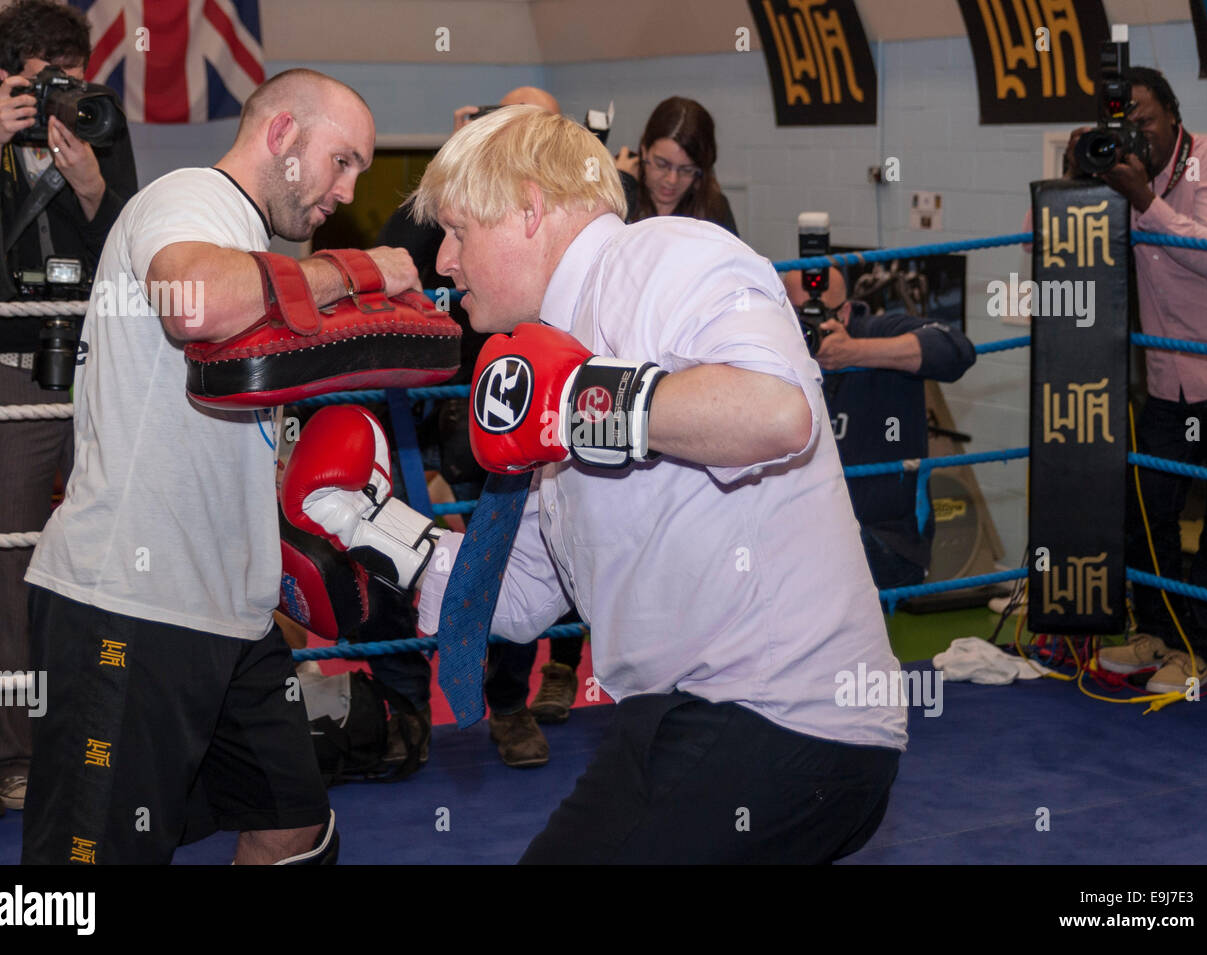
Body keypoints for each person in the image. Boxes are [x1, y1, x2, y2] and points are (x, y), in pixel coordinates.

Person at [290, 106, 906, 863]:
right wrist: (364, 529)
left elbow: (778, 413)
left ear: (528, 207)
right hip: (681, 721)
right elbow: (514, 598)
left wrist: (580, 402)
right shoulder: (549, 355)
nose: (445, 261)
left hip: (781, 716)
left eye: (458, 231)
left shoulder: (667, 256)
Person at [20, 68, 419, 864]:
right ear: (281, 136)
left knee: (296, 826)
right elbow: (191, 301)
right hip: (128, 607)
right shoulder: (190, 200)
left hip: (227, 619)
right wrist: (358, 271)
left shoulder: (252, 250)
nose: (346, 190)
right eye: (341, 161)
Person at [0, 0, 137, 811]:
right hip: (6, 369)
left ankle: (109, 736)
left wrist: (93, 184)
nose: (56, 94)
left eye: (69, 78)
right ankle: (9, 755)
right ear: (0, 74)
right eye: (36, 82)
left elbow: (133, 241)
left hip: (97, 362)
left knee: (114, 555)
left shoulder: (98, 116)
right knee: (6, 569)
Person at [372, 86, 585, 770]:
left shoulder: (587, 243)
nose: (450, 259)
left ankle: (511, 701)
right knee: (490, 547)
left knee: (531, 551)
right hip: (461, 405)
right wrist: (453, 165)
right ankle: (410, 706)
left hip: (542, 396)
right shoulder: (461, 215)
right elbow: (401, 259)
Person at [1072, 67, 1207, 692]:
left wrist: (1146, 200)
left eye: (1144, 120)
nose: (1136, 133)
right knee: (1148, 510)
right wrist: (1081, 178)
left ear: (1173, 114)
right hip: (1166, 375)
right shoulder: (1119, 174)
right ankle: (1157, 632)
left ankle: (1196, 650)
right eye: (1124, 124)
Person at [783, 267, 976, 590]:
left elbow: (956, 349)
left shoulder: (877, 330)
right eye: (797, 316)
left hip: (886, 540)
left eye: (817, 316)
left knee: (800, 562)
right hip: (800, 530)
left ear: (844, 312)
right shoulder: (775, 349)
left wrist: (856, 353)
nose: (807, 328)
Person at [613, 96, 738, 236]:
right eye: (661, 164)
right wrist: (621, 187)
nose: (672, 180)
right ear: (644, 151)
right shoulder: (622, 190)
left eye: (686, 170)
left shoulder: (713, 206)